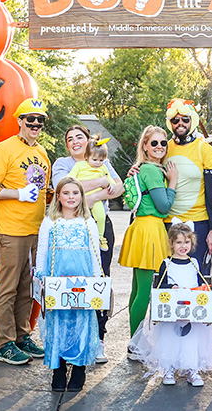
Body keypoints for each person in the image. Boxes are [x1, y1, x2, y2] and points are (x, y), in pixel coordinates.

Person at [0, 98, 51, 365]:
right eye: (29, 119)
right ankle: (5, 344)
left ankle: (22, 336)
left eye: (39, 120)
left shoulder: (42, 153)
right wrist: (17, 193)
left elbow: (46, 191)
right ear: (20, 121)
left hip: (36, 233)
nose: (34, 124)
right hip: (11, 233)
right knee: (8, 289)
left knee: (26, 289)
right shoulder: (5, 149)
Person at [52, 125, 123, 363]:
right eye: (69, 138)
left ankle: (99, 338)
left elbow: (119, 186)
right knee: (72, 282)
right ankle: (70, 339)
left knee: (100, 280)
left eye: (79, 137)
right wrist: (100, 185)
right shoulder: (63, 164)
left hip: (101, 228)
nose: (74, 141)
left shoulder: (100, 159)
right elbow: (64, 189)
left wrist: (92, 195)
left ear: (88, 140)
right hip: (71, 229)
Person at [129, 223, 212, 387]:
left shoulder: (195, 263)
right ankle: (168, 368)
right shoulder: (166, 264)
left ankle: (192, 369)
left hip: (191, 311)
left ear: (192, 243)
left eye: (187, 242)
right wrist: (171, 288)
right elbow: (160, 286)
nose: (183, 246)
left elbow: (201, 284)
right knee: (170, 338)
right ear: (172, 244)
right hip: (172, 311)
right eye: (179, 242)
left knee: (191, 339)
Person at [35, 177, 102, 392]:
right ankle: (59, 369)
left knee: (81, 322)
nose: (71, 197)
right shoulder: (50, 222)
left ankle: (80, 369)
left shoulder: (87, 222)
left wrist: (97, 278)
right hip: (57, 279)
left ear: (81, 197)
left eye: (75, 193)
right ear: (58, 196)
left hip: (82, 280)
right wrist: (41, 277)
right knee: (58, 322)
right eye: (66, 193)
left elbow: (94, 253)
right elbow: (42, 251)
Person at [118, 126, 178, 337]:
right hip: (150, 230)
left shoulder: (144, 168)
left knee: (137, 288)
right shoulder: (152, 170)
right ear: (144, 146)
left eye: (163, 143)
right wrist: (173, 182)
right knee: (144, 291)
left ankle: (135, 338)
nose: (160, 147)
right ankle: (135, 341)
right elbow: (163, 206)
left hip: (142, 228)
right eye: (154, 143)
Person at [164, 98, 212, 276]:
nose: (180, 123)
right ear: (170, 123)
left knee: (199, 277)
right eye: (176, 120)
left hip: (198, 223)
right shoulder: (163, 148)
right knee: (168, 279)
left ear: (193, 121)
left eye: (185, 119)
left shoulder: (204, 149)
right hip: (168, 222)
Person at [68, 137, 115, 251]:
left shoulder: (103, 168)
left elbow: (110, 178)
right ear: (86, 157)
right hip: (82, 199)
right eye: (94, 160)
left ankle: (100, 237)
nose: (98, 163)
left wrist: (112, 184)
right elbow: (70, 178)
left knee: (101, 216)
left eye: (101, 160)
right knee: (82, 219)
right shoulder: (80, 166)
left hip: (97, 199)